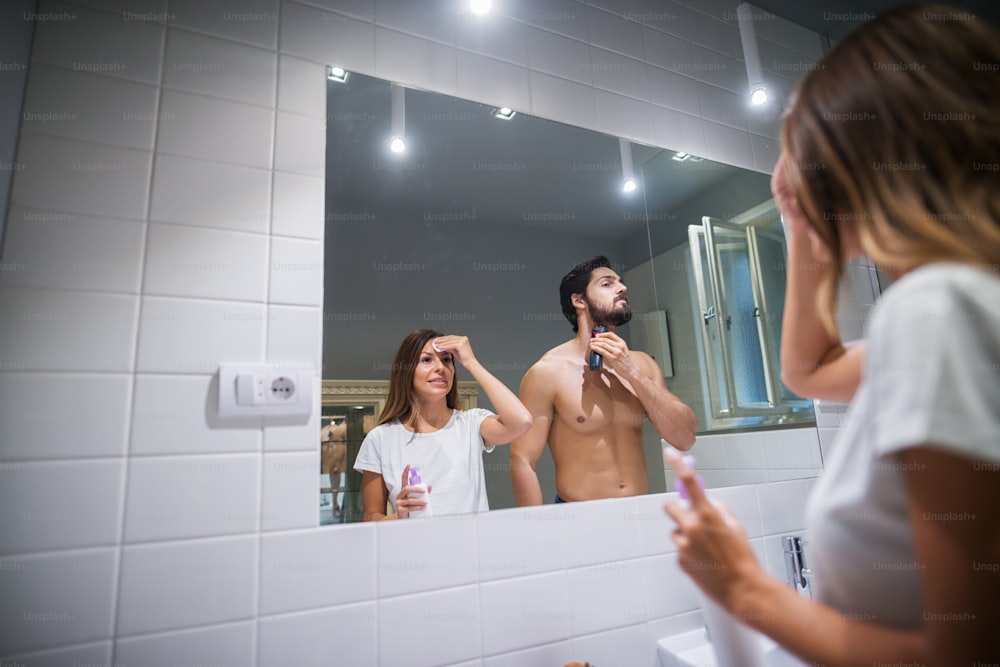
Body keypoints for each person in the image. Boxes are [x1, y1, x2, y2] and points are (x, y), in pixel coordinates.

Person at [662, 5, 1000, 664]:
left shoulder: (934, 308)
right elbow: (811, 370)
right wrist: (800, 220)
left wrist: (746, 588)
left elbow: (964, 653)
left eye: (808, 143)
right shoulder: (964, 306)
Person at [510, 255, 697, 504]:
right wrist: (537, 531)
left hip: (637, 512)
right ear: (578, 301)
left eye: (620, 283)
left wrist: (632, 372)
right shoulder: (547, 372)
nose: (622, 288)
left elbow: (685, 438)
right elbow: (523, 460)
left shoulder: (642, 364)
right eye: (607, 284)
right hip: (578, 516)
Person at [354, 329, 532, 520]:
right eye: (426, 360)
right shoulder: (380, 439)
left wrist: (472, 363)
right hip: (413, 547)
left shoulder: (471, 424)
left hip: (471, 548)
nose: (440, 367)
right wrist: (401, 516)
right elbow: (371, 517)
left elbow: (521, 422)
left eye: (446, 360)